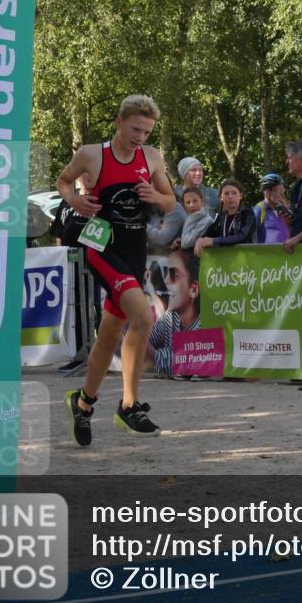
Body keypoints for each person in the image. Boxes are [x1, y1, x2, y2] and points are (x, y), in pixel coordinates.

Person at [56, 94, 175, 445]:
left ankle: (83, 402)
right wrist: (75, 199)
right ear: (119, 121)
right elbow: (64, 181)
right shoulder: (92, 154)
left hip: (134, 248)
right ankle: (128, 405)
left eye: (147, 132)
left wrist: (156, 198)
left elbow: (171, 199)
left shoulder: (151, 158)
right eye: (136, 129)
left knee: (109, 333)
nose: (141, 137)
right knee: (143, 317)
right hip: (102, 245)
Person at [147, 248, 201, 378]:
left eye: (173, 275)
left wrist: (133, 331)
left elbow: (177, 362)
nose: (165, 281)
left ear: (193, 289)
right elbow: (149, 338)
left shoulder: (203, 327)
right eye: (165, 273)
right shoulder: (170, 317)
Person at [194, 178, 256, 256]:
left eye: (234, 193)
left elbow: (242, 237)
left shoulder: (248, 213)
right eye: (226, 193)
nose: (230, 196)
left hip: (246, 260)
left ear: (240, 196)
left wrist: (214, 241)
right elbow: (209, 233)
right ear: (221, 198)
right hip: (226, 261)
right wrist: (200, 239)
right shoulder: (222, 216)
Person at [254, 173, 292, 244]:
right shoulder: (259, 209)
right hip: (266, 254)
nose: (281, 194)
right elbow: (251, 236)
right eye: (277, 190)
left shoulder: (283, 208)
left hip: (286, 254)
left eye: (282, 190)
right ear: (267, 192)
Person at [176, 187, 213, 251]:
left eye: (195, 201)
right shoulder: (191, 217)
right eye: (188, 202)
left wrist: (182, 241)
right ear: (184, 205)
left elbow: (186, 243)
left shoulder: (206, 221)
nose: (191, 205)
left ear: (202, 201)